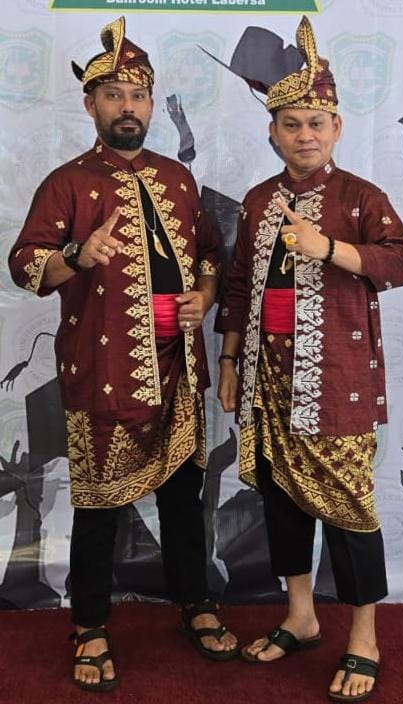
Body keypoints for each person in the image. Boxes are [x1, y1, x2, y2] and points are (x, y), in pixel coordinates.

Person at [9, 16, 238, 693]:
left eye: (138, 95)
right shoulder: (67, 183)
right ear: (91, 106)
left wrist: (202, 295)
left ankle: (195, 603)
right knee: (98, 507)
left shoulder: (176, 179)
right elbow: (26, 264)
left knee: (184, 497)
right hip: (104, 372)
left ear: (151, 104)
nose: (128, 107)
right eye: (114, 95)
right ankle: (89, 624)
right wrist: (77, 255)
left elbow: (208, 252)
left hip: (180, 367)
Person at [216, 16, 403, 703]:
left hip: (336, 383)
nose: (305, 134)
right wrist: (230, 360)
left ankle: (364, 637)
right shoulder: (256, 201)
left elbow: (401, 261)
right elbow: (238, 284)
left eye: (317, 124)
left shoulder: (361, 197)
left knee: (351, 511)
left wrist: (327, 248)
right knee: (280, 501)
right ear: (273, 131)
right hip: (268, 378)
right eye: (292, 123)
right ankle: (300, 617)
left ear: (337, 130)